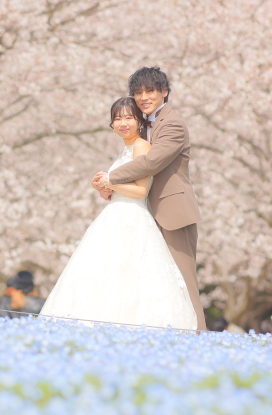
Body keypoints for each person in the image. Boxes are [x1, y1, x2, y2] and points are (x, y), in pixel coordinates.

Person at [40, 96, 197, 329]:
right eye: (117, 118)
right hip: (115, 217)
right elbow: (121, 187)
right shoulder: (127, 149)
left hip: (132, 219)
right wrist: (103, 187)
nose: (123, 123)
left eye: (129, 118)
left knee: (128, 276)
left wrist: (109, 182)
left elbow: (141, 191)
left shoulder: (142, 146)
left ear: (139, 121)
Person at [92, 67, 205, 330]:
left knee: (183, 280)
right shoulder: (143, 128)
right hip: (145, 214)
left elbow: (152, 161)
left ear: (164, 92)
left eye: (150, 90)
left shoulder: (172, 123)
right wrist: (105, 184)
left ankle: (201, 337)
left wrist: (112, 177)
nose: (144, 96)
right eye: (138, 92)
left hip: (173, 212)